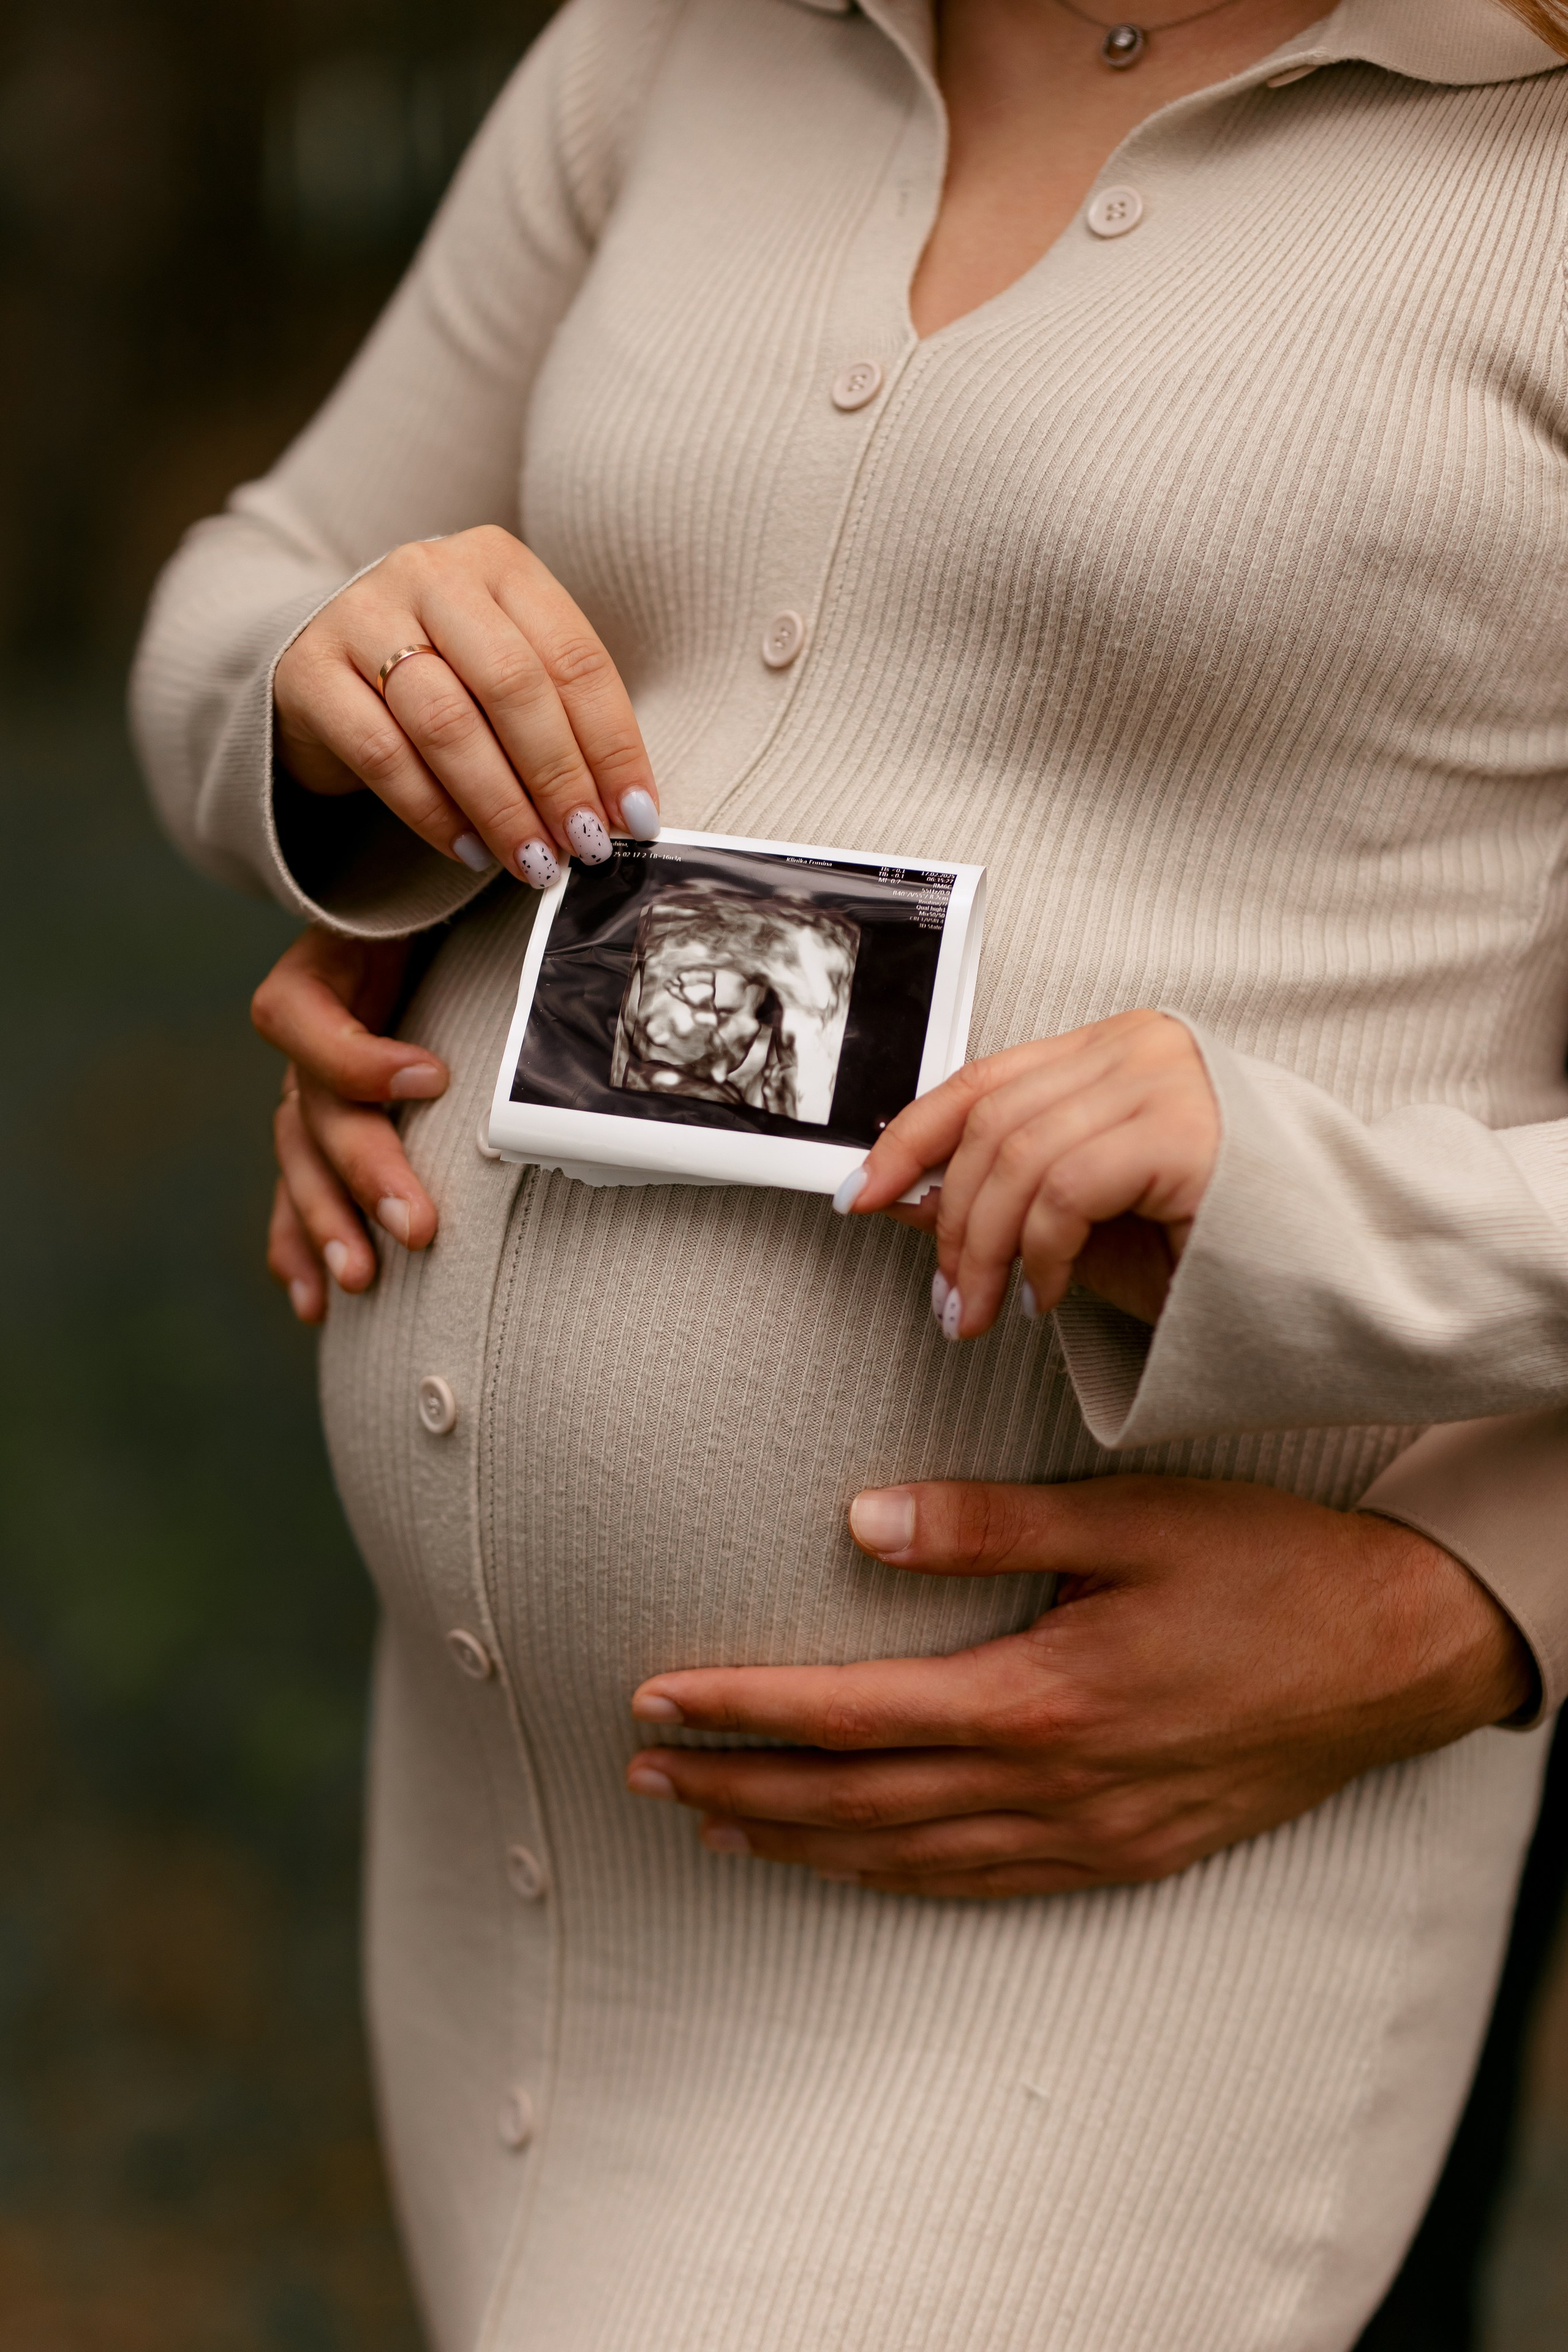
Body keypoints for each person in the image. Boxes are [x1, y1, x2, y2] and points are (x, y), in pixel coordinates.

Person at [132, 3, 1568, 2345]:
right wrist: (332, 707)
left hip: (1082, 1907)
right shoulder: (676, 41)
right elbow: (257, 573)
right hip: (512, 1853)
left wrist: (1462, 1551)